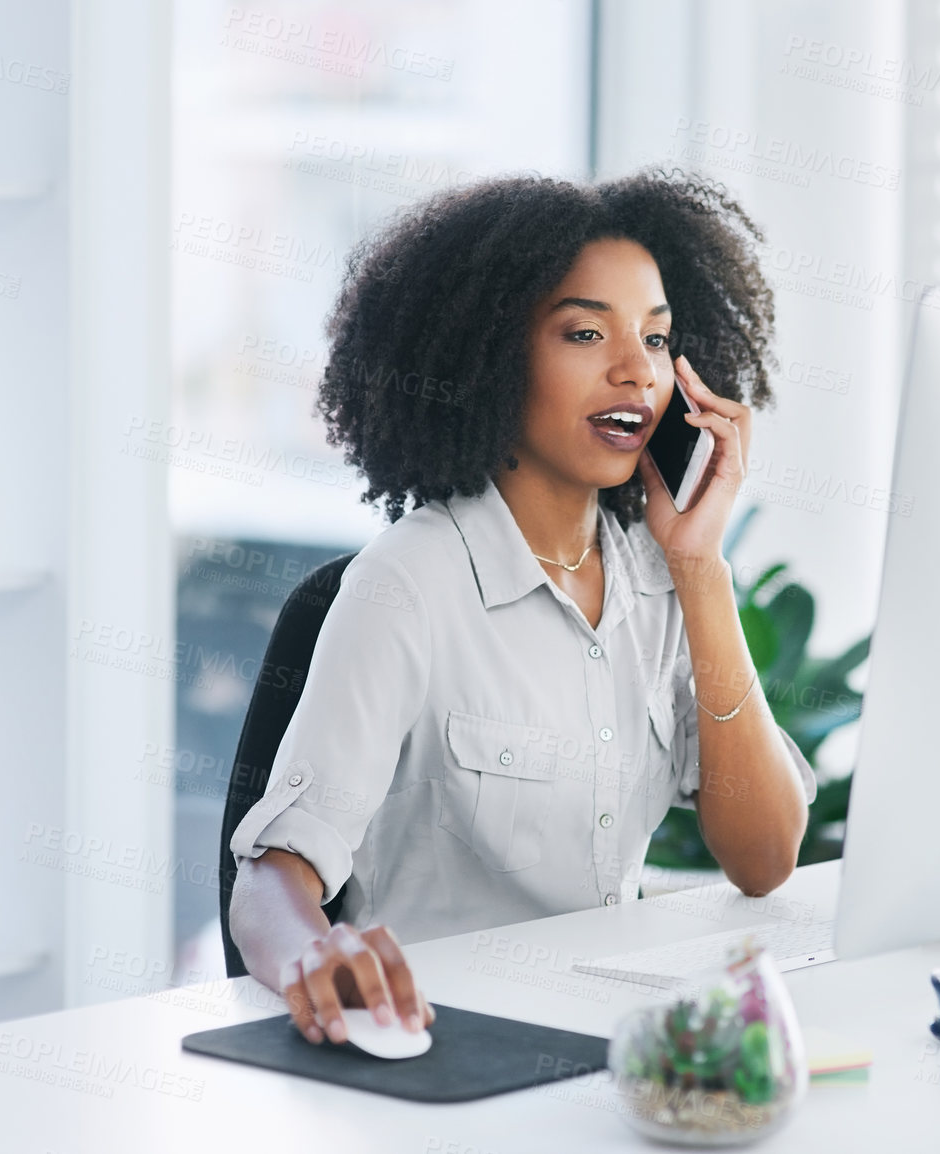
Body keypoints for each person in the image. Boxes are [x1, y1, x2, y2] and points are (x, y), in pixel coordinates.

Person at [227, 170, 818, 1047]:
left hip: (608, 1048)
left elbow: (765, 859)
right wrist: (317, 956)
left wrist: (700, 572)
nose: (635, 372)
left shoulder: (658, 579)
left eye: (657, 340)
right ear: (492, 355)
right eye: (587, 333)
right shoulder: (410, 583)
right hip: (446, 1054)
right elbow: (274, 877)